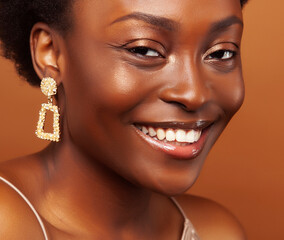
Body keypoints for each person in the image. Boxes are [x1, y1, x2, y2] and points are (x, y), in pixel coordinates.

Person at [0, 0, 248, 239]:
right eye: (145, 50)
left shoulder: (216, 231)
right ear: (51, 52)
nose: (194, 94)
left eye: (221, 52)